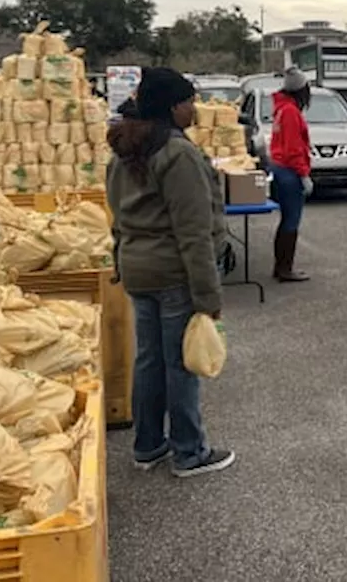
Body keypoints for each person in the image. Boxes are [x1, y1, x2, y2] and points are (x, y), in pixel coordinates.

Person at [106, 67, 234, 478]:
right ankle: (189, 451)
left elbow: (116, 215)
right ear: (174, 106)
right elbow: (193, 231)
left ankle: (147, 445)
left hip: (138, 266)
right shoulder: (177, 154)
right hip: (172, 269)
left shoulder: (126, 148)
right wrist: (208, 297)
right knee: (181, 363)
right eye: (189, 101)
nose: (194, 108)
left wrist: (119, 257)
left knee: (150, 360)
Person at [267, 67, 313, 282]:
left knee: (286, 220)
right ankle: (285, 269)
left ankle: (281, 267)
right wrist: (304, 174)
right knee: (291, 221)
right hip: (289, 171)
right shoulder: (291, 113)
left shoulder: (281, 109)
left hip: (279, 167)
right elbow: (294, 148)